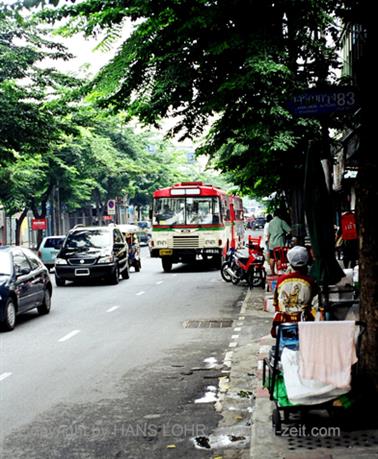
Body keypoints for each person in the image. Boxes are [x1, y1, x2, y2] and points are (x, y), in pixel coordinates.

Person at [271, 245, 318, 338]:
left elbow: (276, 303)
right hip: (304, 323)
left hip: (283, 323)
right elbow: (316, 303)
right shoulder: (311, 281)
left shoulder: (281, 280)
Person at [267, 209, 291, 275]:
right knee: (279, 258)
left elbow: (268, 234)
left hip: (271, 244)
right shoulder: (281, 221)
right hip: (279, 244)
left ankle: (272, 272)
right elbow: (289, 230)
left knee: (272, 258)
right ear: (280, 214)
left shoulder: (270, 222)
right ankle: (279, 272)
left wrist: (268, 242)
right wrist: (286, 235)